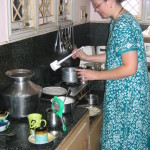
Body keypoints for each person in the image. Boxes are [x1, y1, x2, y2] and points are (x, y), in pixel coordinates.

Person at [72, 0, 150, 149]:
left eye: (97, 5)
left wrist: (95, 74)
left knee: (123, 142)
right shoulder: (118, 21)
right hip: (127, 93)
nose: (96, 9)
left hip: (128, 98)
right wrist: (87, 57)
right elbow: (115, 55)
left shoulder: (123, 25)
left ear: (110, 1)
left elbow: (130, 68)